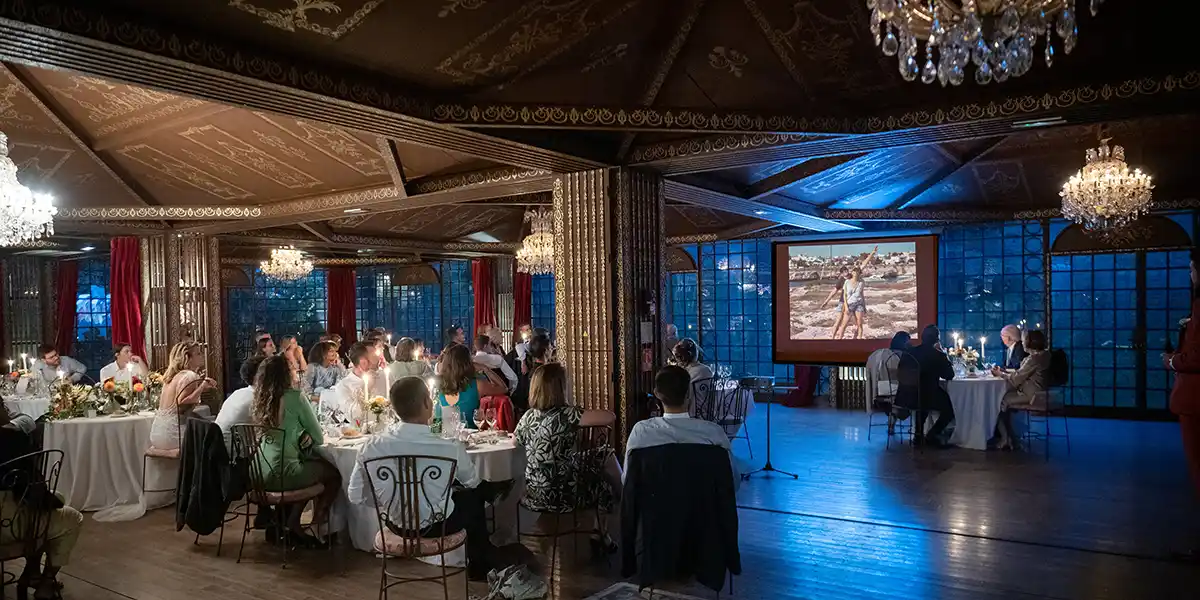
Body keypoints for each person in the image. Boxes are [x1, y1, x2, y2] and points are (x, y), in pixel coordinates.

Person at [347, 377, 499, 579]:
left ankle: (484, 554)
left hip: (396, 525)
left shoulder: (372, 445)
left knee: (464, 494)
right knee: (474, 497)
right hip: (437, 526)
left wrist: (388, 503)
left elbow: (354, 495)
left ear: (393, 408)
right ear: (428, 403)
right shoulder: (450, 446)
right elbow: (471, 482)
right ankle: (481, 566)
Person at [514, 362, 621, 551]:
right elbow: (609, 416)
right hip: (561, 494)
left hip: (533, 492)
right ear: (560, 388)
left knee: (603, 453)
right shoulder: (568, 415)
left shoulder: (527, 417)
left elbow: (516, 443)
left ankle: (623, 501)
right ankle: (603, 531)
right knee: (604, 482)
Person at [249, 355, 340, 546]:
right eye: (292, 368)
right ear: (285, 375)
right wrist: (305, 433)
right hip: (284, 473)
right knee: (333, 475)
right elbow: (319, 437)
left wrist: (299, 433)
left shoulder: (260, 399)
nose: (295, 371)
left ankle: (290, 523)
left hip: (257, 473)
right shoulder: (296, 397)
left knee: (305, 468)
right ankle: (315, 527)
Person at [0, 403, 83, 599]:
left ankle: (32, 572)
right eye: (2, 405)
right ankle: (45, 584)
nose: (6, 409)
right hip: (7, 524)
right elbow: (33, 490)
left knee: (41, 511)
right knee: (67, 518)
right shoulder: (12, 438)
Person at [625, 366, 735, 480]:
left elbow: (628, 480)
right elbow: (732, 481)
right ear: (689, 394)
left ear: (656, 393)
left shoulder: (641, 432)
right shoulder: (713, 433)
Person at [1164, 248, 1200, 561]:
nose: (1190, 274)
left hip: (1195, 399)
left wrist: (1172, 361)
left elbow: (1195, 358)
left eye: (1191, 268)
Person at [894, 325, 955, 448]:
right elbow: (949, 375)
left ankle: (918, 434)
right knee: (949, 410)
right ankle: (931, 435)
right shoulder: (938, 355)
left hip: (905, 396)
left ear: (921, 337)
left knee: (923, 399)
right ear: (936, 340)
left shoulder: (909, 353)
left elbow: (900, 371)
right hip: (926, 396)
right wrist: (944, 354)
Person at [149, 341, 216, 451]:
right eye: (198, 354)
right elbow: (182, 401)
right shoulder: (190, 375)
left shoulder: (171, 377)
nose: (202, 356)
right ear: (188, 358)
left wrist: (201, 390)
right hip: (172, 435)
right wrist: (202, 386)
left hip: (156, 434)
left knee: (207, 427)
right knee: (213, 436)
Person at [990, 329, 1051, 450]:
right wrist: (1004, 371)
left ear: (1030, 343)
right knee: (1003, 400)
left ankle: (1005, 438)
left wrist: (1000, 374)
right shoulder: (1045, 355)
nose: (1022, 343)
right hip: (1039, 393)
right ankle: (1010, 437)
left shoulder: (1033, 359)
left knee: (996, 401)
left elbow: (1016, 379)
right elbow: (1021, 373)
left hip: (1030, 394)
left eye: (1023, 341)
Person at [435, 344, 507, 423]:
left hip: (443, 433)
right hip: (469, 433)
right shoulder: (477, 385)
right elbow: (503, 388)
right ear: (468, 363)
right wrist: (485, 369)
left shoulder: (439, 384)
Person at [216, 354, 266, 451]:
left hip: (220, 452)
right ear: (260, 377)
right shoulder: (257, 399)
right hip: (236, 459)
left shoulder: (238, 393)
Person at [865, 332, 911, 434]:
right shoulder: (903, 356)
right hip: (897, 395)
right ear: (904, 343)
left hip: (878, 393)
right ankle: (916, 429)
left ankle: (892, 419)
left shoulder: (879, 355)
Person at [332, 342, 388, 422]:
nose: (378, 360)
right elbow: (353, 417)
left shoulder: (384, 376)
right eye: (374, 356)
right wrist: (366, 388)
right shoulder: (344, 386)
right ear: (363, 362)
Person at [512, 334, 552, 413]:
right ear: (545, 351)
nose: (552, 350)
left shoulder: (534, 369)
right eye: (550, 348)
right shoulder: (544, 372)